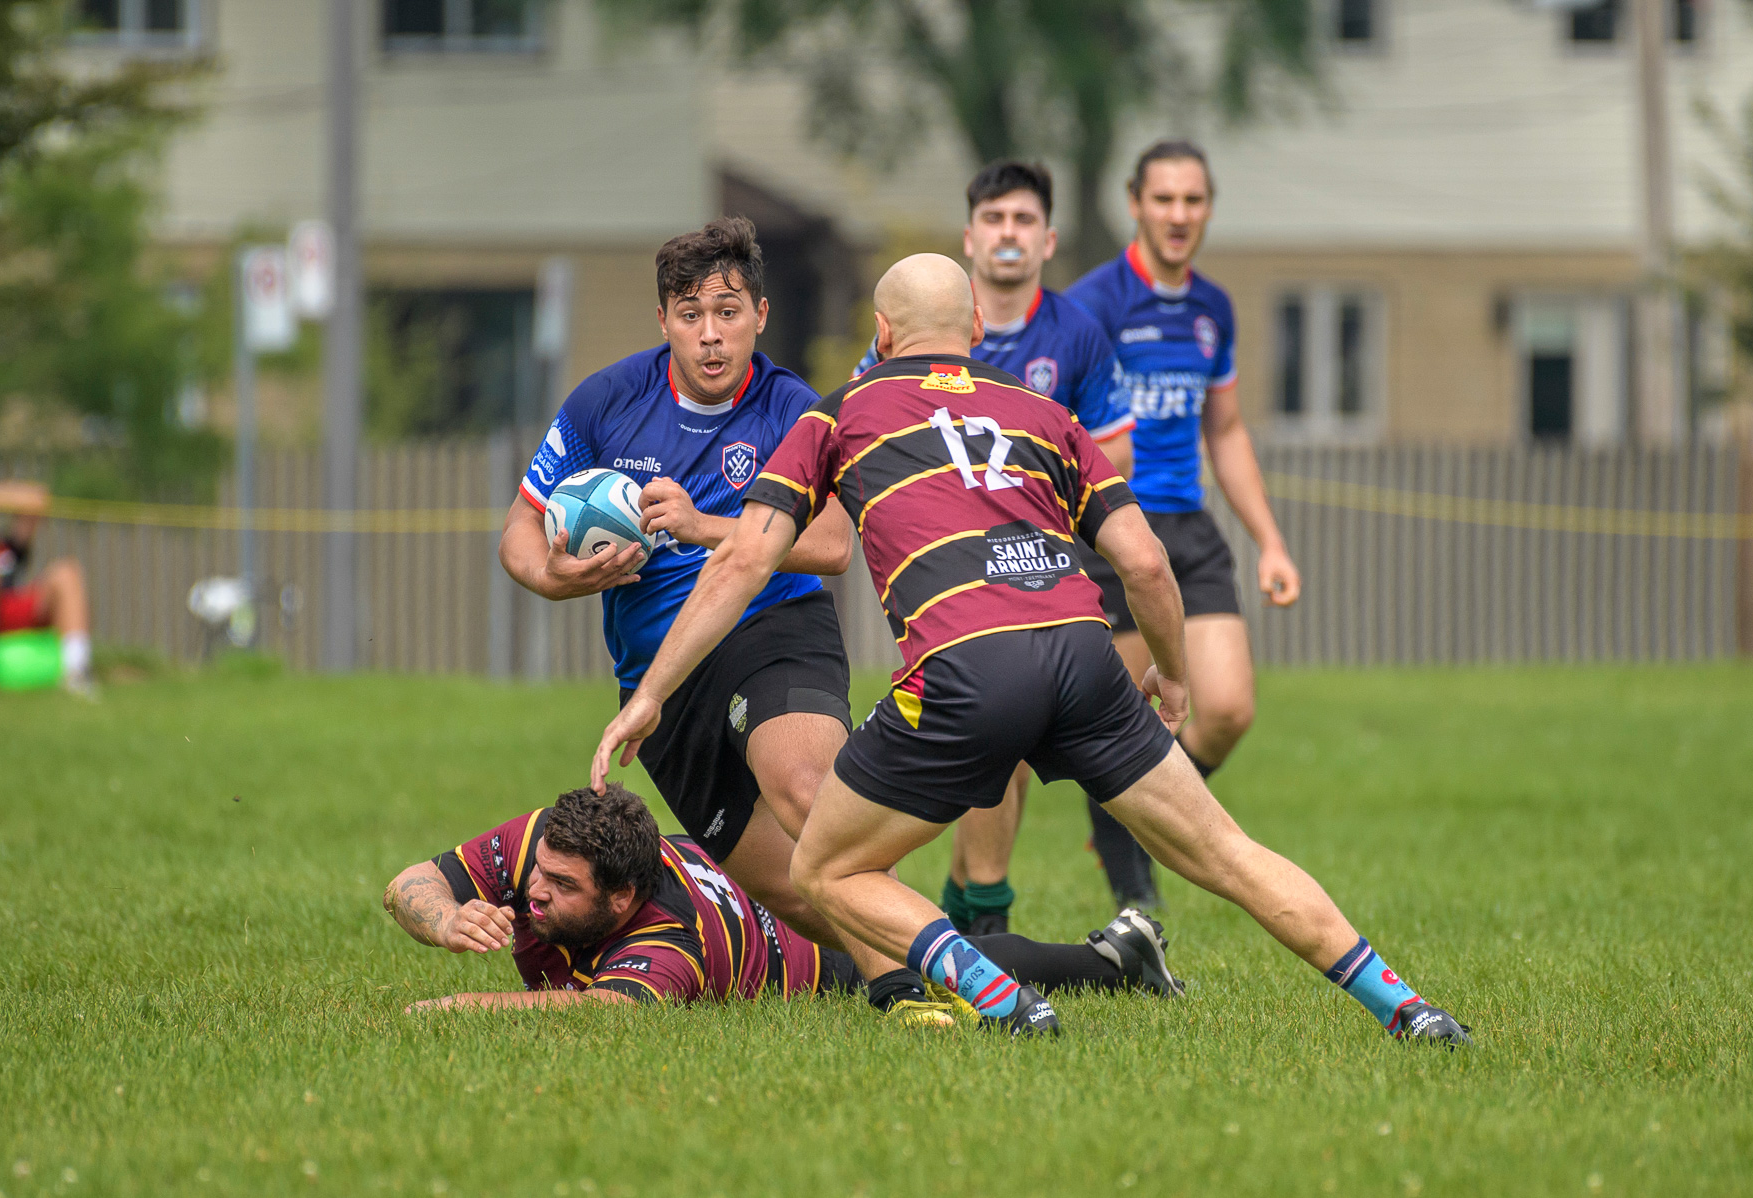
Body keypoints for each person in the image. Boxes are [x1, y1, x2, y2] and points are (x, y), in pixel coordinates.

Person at [593, 253, 1469, 1045]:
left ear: (882, 335)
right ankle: (1408, 1008)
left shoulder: (838, 415)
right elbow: (1144, 563)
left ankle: (1004, 998)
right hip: (1086, 660)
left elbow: (742, 561)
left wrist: (651, 693)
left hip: (966, 669)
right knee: (1229, 853)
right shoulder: (1046, 414)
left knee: (823, 868)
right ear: (977, 328)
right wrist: (1170, 672)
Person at [497, 216, 956, 1022]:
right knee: (805, 894)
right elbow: (520, 529)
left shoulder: (793, 410)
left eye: (728, 311)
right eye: (690, 314)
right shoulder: (606, 402)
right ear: (663, 321)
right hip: (663, 681)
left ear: (760, 316)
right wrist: (556, 577)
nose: (710, 335)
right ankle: (1028, 966)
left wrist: (704, 525)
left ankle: (906, 997)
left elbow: (831, 544)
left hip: (774, 633)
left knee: (806, 790)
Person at [855, 160, 1137, 936]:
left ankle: (977, 913)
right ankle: (980, 914)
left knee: (1009, 728)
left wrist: (1032, 489)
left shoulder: (1076, 334)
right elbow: (858, 426)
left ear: (1047, 240)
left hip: (1040, 559)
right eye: (994, 219)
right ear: (970, 239)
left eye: (1023, 220)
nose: (1008, 233)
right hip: (943, 569)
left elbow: (1116, 454)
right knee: (999, 730)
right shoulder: (916, 332)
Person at [384, 783, 1183, 1018]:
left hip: (807, 951)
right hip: (742, 870)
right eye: (540, 874)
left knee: (929, 962)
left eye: (563, 888)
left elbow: (603, 1016)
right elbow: (405, 884)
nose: (534, 890)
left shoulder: (666, 943)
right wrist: (446, 918)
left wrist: (457, 1006)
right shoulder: (545, 841)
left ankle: (1112, 960)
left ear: (623, 899)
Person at [1063, 138, 1302, 911]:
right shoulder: (1093, 305)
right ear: (1136, 203)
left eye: (1192, 200)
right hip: (1112, 529)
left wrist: (1270, 542)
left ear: (1208, 209)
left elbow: (1224, 430)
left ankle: (1130, 820)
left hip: (1190, 528)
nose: (1178, 214)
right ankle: (1135, 890)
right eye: (1163, 198)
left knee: (1226, 709)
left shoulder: (1213, 308)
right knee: (1133, 718)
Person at [0, 481, 94, 697]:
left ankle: (78, 671)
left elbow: (36, 499)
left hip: (6, 608)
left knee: (66, 572)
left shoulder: (1, 548)